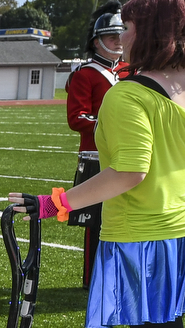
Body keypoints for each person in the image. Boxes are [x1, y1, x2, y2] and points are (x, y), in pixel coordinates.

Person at [11, 0, 185, 328]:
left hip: (146, 236)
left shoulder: (129, 95)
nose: (122, 36)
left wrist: (55, 204)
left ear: (152, 32)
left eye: (129, 27)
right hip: (179, 226)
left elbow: (128, 172)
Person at [66, 2, 128, 289]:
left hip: (127, 154)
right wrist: (112, 125)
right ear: (97, 41)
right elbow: (77, 118)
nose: (119, 40)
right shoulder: (85, 75)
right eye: (112, 36)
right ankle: (93, 281)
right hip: (95, 154)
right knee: (95, 221)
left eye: (121, 34)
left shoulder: (129, 71)